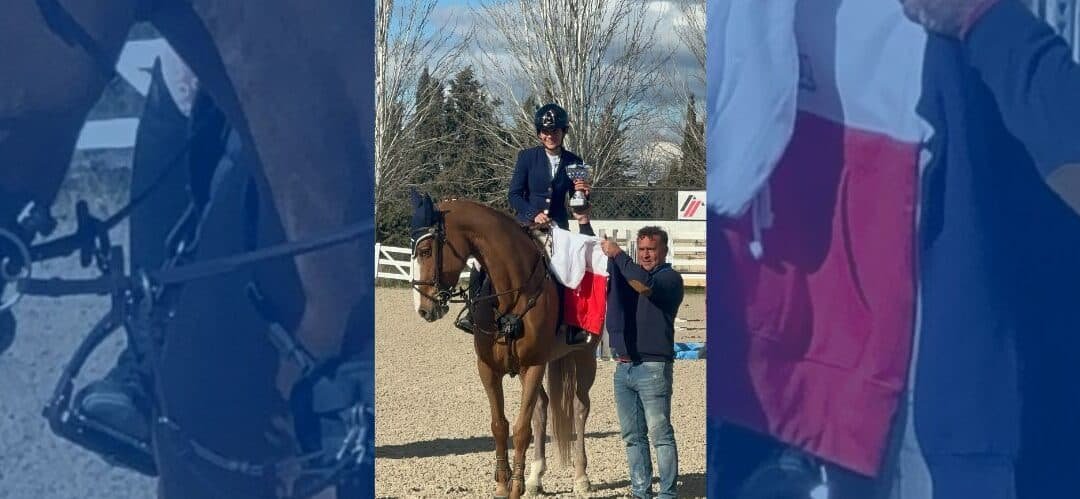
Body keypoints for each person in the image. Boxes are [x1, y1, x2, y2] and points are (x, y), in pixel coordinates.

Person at [454, 103, 595, 344]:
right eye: (545, 131)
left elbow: (576, 201)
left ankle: (570, 324)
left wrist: (583, 194)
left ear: (563, 132)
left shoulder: (574, 161)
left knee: (569, 268)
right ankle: (474, 312)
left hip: (555, 229)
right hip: (524, 227)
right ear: (539, 132)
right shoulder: (527, 157)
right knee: (482, 263)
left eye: (555, 131)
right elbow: (514, 195)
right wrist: (533, 213)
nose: (550, 136)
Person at [601, 226, 684, 499]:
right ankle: (640, 490)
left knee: (660, 435)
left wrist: (620, 254)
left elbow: (643, 286)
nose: (646, 254)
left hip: (653, 367)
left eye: (652, 249)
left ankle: (668, 493)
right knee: (632, 437)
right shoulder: (629, 272)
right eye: (643, 249)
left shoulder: (669, 278)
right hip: (624, 365)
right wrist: (585, 221)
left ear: (664, 251)